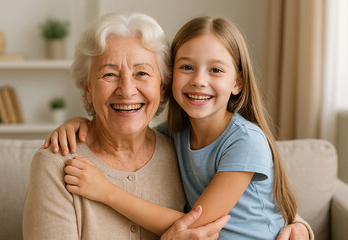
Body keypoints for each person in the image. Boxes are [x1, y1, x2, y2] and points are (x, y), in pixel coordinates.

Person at [45, 15, 314, 239]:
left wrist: (105, 191)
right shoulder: (172, 137)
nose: (199, 80)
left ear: (238, 83)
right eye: (187, 67)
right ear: (170, 79)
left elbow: (196, 225)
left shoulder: (245, 141)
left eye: (216, 70)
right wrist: (79, 122)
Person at [23, 12, 230, 240]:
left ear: (162, 87)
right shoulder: (55, 164)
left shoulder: (183, 152)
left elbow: (245, 212)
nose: (127, 90)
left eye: (142, 73)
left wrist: (277, 222)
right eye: (109, 74)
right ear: (88, 89)